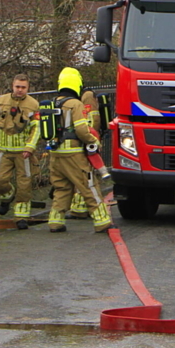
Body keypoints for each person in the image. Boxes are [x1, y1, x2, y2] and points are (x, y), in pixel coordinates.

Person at [46, 67, 112, 233]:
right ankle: (102, 222)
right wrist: (94, 141)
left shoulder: (52, 103)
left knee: (61, 188)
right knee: (88, 185)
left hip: (55, 154)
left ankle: (55, 222)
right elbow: (82, 130)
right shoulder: (76, 104)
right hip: (74, 154)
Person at [0, 74, 41, 229]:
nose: (20, 90)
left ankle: (21, 218)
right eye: (17, 87)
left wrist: (29, 147)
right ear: (13, 86)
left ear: (28, 88)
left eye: (23, 87)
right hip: (3, 151)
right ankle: (7, 197)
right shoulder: (1, 101)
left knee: (24, 185)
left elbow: (36, 129)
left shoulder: (33, 105)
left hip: (23, 153)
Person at [67, 87, 106, 218]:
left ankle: (83, 209)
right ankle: (82, 208)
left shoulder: (87, 96)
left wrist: (90, 139)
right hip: (87, 139)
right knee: (84, 175)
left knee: (86, 176)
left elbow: (93, 120)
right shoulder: (84, 96)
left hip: (88, 141)